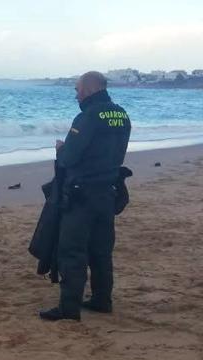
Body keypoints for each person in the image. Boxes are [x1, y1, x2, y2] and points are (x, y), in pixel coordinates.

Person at [40, 71, 131, 321]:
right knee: (101, 249)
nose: (76, 93)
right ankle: (103, 299)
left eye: (78, 89)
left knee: (72, 250)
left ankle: (69, 308)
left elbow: (70, 157)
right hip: (108, 191)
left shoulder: (87, 116)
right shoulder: (121, 114)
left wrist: (61, 149)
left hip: (82, 193)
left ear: (89, 90)